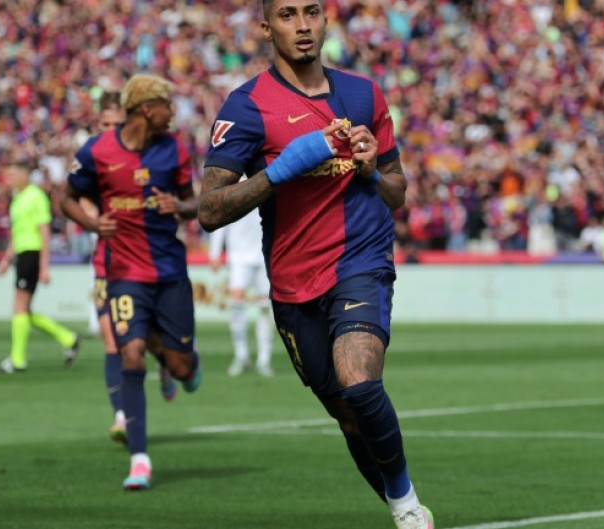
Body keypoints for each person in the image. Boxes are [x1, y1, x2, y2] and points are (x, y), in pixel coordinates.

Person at [198, 2, 432, 527]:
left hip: (361, 260)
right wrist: (282, 170)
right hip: (293, 282)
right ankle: (401, 503)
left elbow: (397, 192)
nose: (302, 26)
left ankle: (407, 507)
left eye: (311, 12)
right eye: (287, 15)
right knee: (349, 417)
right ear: (267, 28)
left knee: (360, 383)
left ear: (325, 21)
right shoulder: (246, 107)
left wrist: (373, 170)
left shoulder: (364, 94)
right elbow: (209, 211)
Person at [62, 73, 202, 490]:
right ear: (147, 108)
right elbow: (65, 198)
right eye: (167, 105)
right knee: (131, 354)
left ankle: (178, 362)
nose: (172, 112)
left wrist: (179, 206)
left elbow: (194, 203)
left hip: (170, 273)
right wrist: (92, 223)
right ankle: (139, 459)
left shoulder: (174, 149)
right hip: (123, 274)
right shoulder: (97, 151)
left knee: (180, 368)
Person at [85, 91, 178, 445]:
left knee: (146, 340)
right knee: (113, 341)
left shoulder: (148, 156)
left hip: (147, 262)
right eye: (104, 123)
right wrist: (91, 216)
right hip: (108, 264)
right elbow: (78, 198)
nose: (110, 129)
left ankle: (166, 362)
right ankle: (122, 416)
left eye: (116, 124)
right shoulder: (92, 157)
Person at [0, 162, 81, 374]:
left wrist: (44, 266)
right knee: (24, 310)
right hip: (23, 254)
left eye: (13, 174)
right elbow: (17, 233)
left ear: (25, 176)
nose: (9, 179)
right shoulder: (18, 198)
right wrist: (7, 259)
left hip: (32, 253)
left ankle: (18, 360)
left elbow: (44, 231)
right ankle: (68, 338)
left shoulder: (35, 196)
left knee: (20, 306)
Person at [207, 201, 274, 377]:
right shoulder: (232, 188)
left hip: (264, 255)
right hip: (238, 257)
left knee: (265, 307)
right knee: (236, 304)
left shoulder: (266, 186)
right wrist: (214, 252)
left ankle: (264, 360)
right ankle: (241, 355)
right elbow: (221, 218)